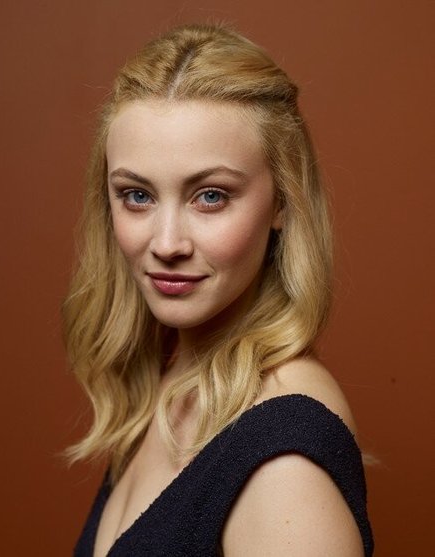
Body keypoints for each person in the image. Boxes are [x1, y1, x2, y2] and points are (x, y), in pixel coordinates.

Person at [63, 23, 373, 557]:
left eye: (210, 196)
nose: (166, 243)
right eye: (137, 195)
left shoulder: (284, 465)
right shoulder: (174, 384)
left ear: (282, 201)